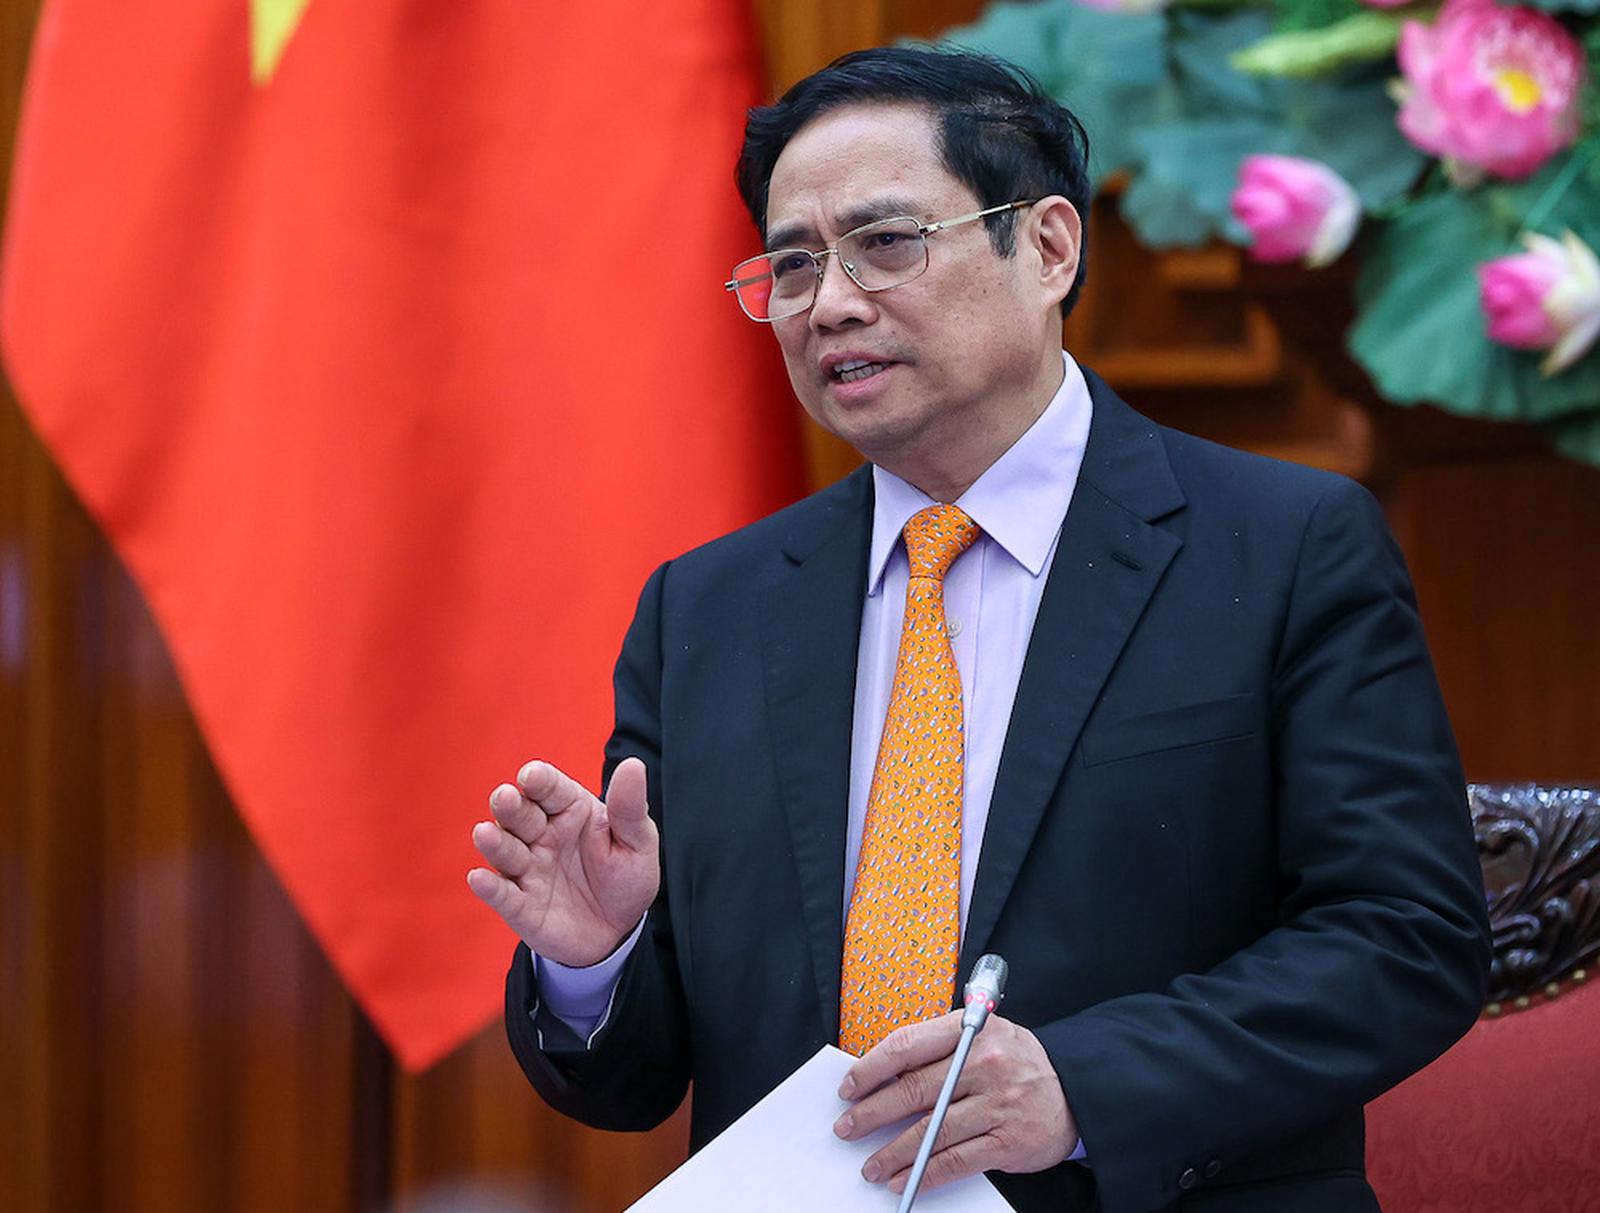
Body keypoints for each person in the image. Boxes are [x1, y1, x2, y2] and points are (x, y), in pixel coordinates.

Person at [466, 46, 1490, 1213]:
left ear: (1047, 247)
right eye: (792, 265)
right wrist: (594, 958)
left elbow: (1405, 936)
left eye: (885, 242)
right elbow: (635, 1079)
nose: (830, 302)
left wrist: (1084, 1088)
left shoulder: (1284, 547)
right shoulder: (705, 609)